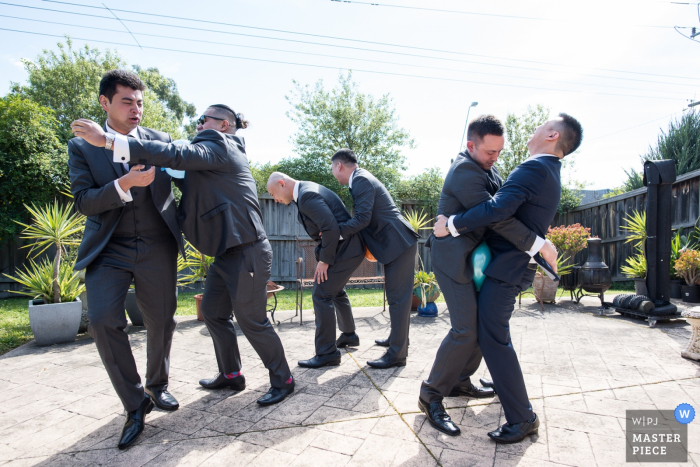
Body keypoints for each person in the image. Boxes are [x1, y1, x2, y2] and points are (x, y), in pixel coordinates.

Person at [70, 104, 295, 409]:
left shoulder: (220, 144)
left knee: (252, 320)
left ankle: (284, 380)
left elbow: (174, 156)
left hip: (247, 252)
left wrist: (109, 141)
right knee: (214, 313)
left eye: (205, 120)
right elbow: (178, 169)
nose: (199, 124)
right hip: (226, 254)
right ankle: (231, 373)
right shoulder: (209, 155)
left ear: (224, 126)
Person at [434, 113, 583, 444]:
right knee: (491, 335)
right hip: (510, 265)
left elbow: (497, 210)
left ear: (553, 135)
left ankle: (522, 416)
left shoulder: (535, 168)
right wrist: (539, 243)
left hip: (507, 267)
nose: (535, 128)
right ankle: (482, 389)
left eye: (541, 124)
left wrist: (452, 224)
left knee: (493, 339)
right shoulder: (547, 170)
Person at [68, 70, 185, 449]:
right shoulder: (82, 147)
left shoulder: (160, 141)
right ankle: (135, 404)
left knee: (162, 320)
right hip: (109, 248)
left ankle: (157, 385)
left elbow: (191, 174)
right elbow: (84, 202)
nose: (136, 109)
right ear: (105, 102)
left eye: (139, 102)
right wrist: (124, 185)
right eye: (126, 101)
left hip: (157, 244)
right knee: (102, 322)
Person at [330, 149, 419, 369]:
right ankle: (397, 339)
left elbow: (362, 218)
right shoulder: (360, 178)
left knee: (399, 300)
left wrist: (336, 233)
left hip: (398, 244)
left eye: (332, 168)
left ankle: (397, 354)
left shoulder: (360, 180)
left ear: (339, 165)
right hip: (396, 244)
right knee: (396, 298)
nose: (333, 173)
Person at [267, 172, 365, 367]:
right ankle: (349, 335)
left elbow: (330, 229)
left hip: (347, 250)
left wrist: (324, 261)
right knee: (334, 291)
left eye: (273, 194)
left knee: (321, 294)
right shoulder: (306, 191)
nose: (274, 199)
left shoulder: (307, 195)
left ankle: (327, 353)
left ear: (281, 183)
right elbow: (329, 226)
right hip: (346, 248)